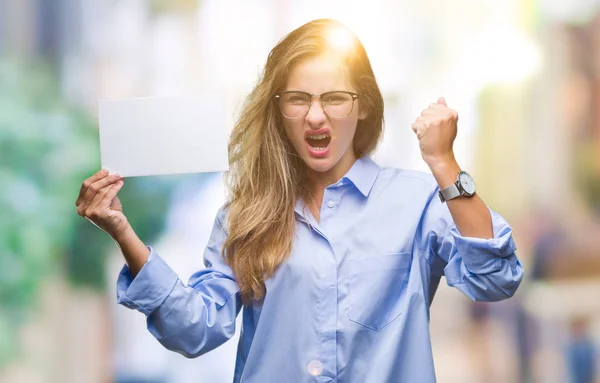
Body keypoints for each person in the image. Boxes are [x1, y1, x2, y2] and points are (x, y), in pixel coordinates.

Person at [75, 19, 524, 382]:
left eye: (334, 98)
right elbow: (195, 330)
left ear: (363, 105)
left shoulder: (416, 201)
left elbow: (496, 278)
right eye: (298, 99)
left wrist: (444, 163)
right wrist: (123, 232)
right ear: (278, 109)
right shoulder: (244, 215)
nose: (315, 115)